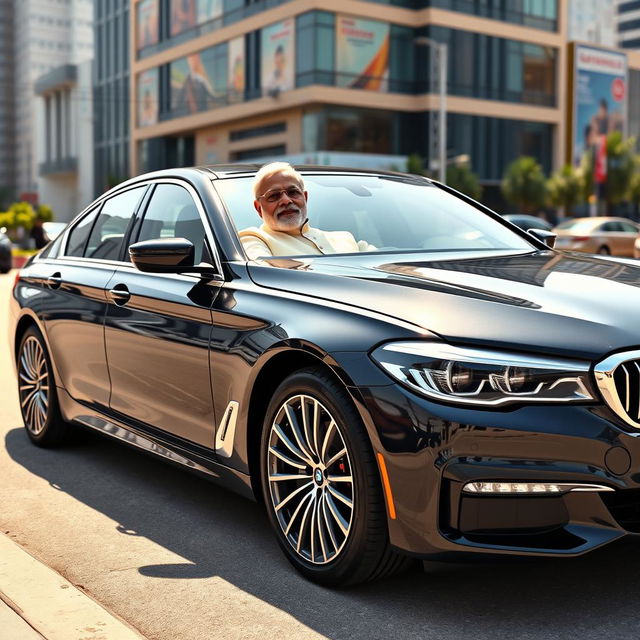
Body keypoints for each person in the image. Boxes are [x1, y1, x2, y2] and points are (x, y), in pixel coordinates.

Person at [239, 162, 375, 259]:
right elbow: (263, 277)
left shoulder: (345, 238)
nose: (286, 201)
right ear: (258, 208)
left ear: (305, 197)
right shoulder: (253, 239)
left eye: (293, 192)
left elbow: (387, 267)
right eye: (274, 196)